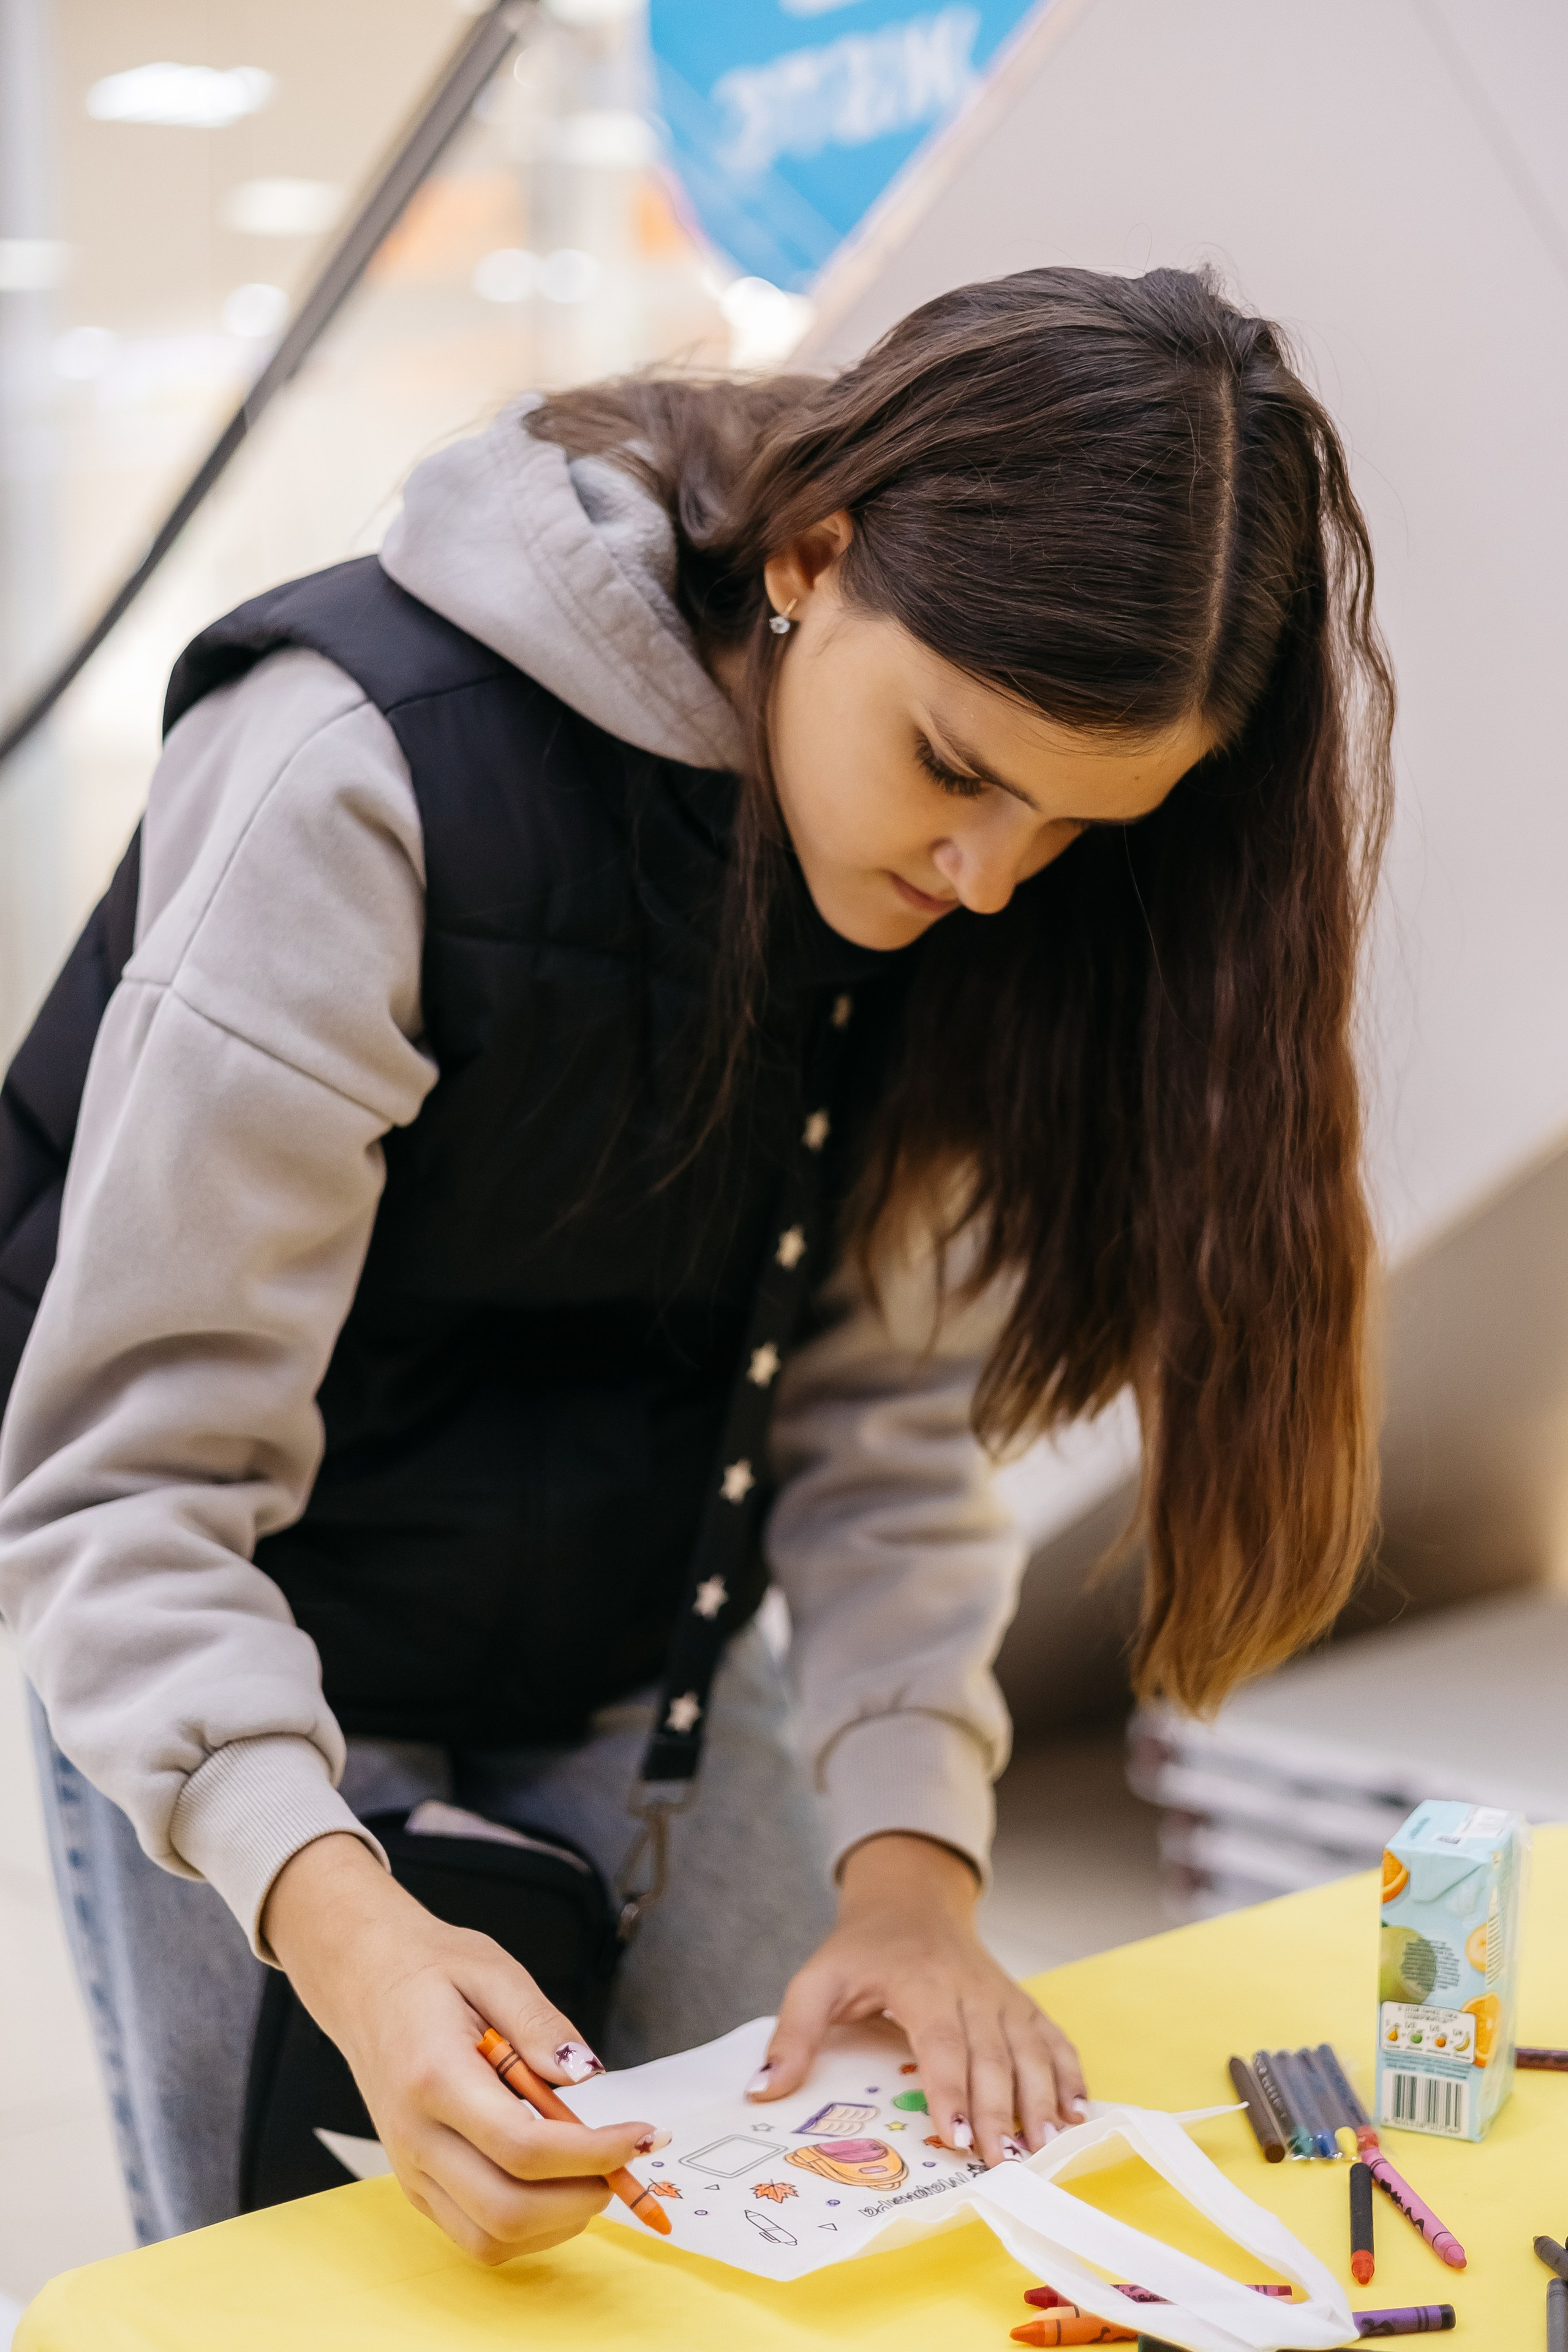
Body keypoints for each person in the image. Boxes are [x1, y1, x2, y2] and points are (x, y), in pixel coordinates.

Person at [0, 265, 1392, 2266]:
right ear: (816, 557)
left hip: (641, 1646)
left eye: (1074, 829)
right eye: (958, 768)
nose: (990, 877)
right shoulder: (358, 766)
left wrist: (913, 1875)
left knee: (824, 2254)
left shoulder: (978, 892)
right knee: (323, 2289)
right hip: (243, 1649)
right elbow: (129, 1485)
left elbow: (880, 1412)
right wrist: (348, 1928)